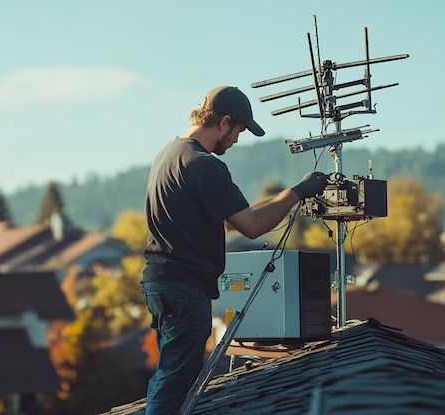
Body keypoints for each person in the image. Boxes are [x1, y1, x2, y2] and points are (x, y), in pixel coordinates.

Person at [140, 85, 327, 415]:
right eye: (239, 130)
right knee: (173, 383)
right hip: (185, 287)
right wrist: (298, 192)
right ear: (224, 122)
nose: (238, 139)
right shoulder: (203, 165)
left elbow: (233, 220)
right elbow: (252, 226)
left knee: (170, 375)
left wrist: (284, 195)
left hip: (161, 283)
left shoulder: (169, 154)